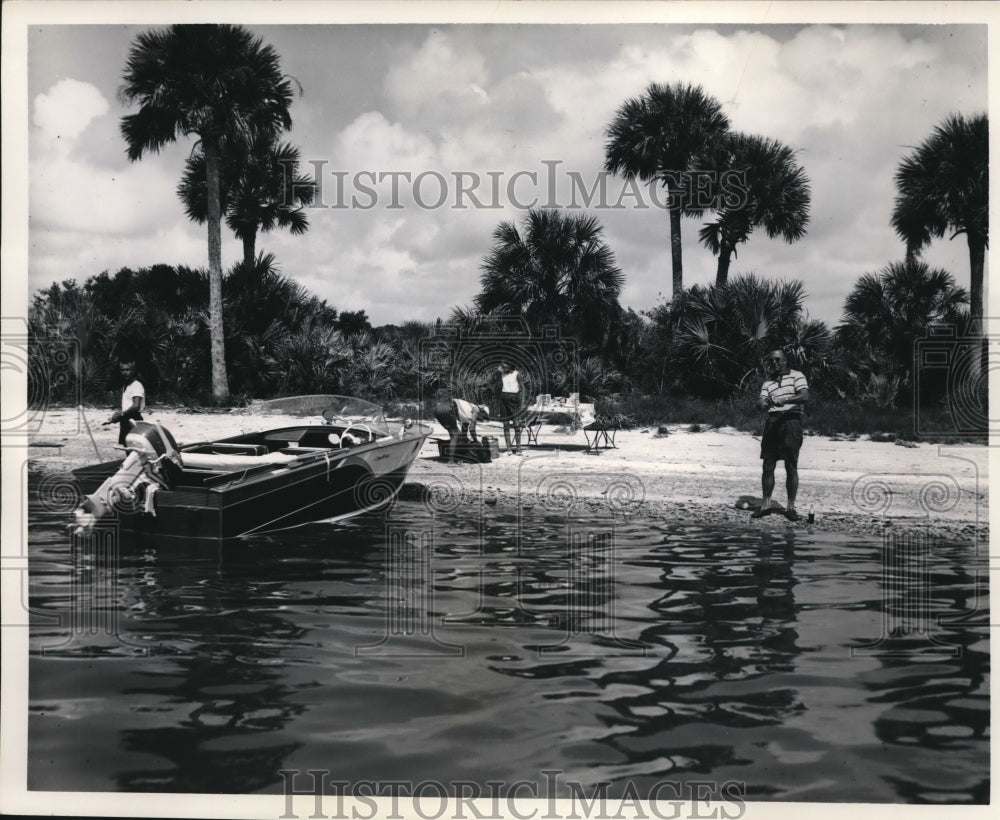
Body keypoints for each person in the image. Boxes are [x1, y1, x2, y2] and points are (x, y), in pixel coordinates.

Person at [754, 349, 809, 521]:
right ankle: (765, 506)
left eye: (778, 360)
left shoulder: (797, 375)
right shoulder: (767, 383)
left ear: (786, 360)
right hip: (772, 422)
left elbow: (804, 396)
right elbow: (760, 402)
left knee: (791, 465)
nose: (775, 363)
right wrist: (762, 403)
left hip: (792, 421)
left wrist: (786, 400)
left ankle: (790, 508)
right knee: (768, 465)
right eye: (771, 360)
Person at [434, 397, 489, 462]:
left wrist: (465, 438)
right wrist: (475, 440)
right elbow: (472, 429)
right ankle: (451, 461)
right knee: (456, 435)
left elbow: (465, 428)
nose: (482, 419)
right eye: (484, 416)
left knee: (454, 435)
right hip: (448, 407)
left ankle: (452, 457)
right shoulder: (477, 410)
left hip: (439, 409)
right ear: (482, 411)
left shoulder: (468, 410)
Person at [109, 358, 145, 446]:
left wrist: (121, 414)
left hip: (133, 419)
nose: (125, 372)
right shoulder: (126, 386)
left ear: (133, 371)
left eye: (127, 370)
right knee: (127, 447)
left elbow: (136, 406)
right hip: (125, 419)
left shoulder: (136, 385)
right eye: (122, 370)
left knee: (134, 448)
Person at [496, 362, 525, 454]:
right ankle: (508, 449)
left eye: (504, 366)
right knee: (505, 424)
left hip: (514, 398)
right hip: (504, 397)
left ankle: (518, 448)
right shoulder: (502, 374)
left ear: (509, 366)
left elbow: (522, 388)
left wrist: (522, 402)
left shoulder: (517, 374)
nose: (502, 368)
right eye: (502, 366)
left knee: (516, 424)